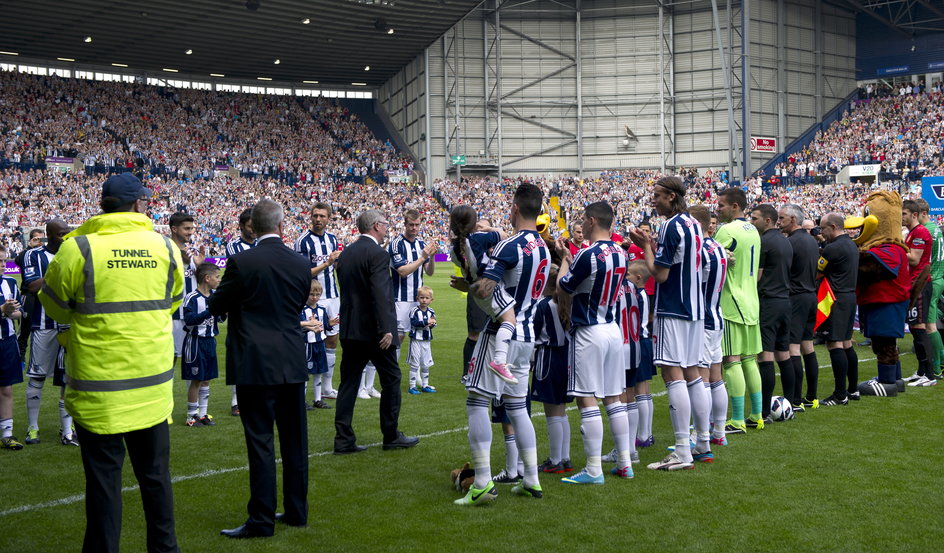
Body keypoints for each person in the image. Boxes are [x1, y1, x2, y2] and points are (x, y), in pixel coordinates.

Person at [38, 172, 183, 553]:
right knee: (156, 480)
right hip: (152, 390)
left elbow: (53, 304)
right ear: (138, 205)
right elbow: (172, 301)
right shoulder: (166, 247)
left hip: (99, 391)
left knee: (104, 487)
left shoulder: (78, 248)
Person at [209, 198, 311, 539]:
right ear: (281, 226)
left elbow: (216, 303)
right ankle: (297, 511)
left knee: (261, 442)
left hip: (255, 362)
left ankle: (261, 520)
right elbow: (296, 303)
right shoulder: (300, 262)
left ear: (253, 226)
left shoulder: (242, 260)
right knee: (295, 442)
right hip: (291, 359)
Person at [457, 183, 550, 505]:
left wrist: (470, 284)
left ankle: (481, 482)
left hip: (501, 334)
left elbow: (485, 290)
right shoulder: (543, 246)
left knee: (477, 402)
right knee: (518, 409)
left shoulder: (509, 245)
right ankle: (531, 479)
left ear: (513, 209)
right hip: (527, 337)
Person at [630, 177, 710, 471]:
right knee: (694, 375)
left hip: (673, 307)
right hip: (695, 309)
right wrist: (653, 245)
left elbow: (660, 274)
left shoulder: (671, 225)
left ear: (672, 197)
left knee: (673, 375)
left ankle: (681, 451)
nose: (654, 200)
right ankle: (702, 441)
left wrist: (644, 247)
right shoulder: (692, 223)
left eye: (659, 195)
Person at [555, 201, 633, 482]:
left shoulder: (588, 253)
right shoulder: (621, 253)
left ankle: (592, 469)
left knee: (586, 398)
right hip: (613, 328)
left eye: (583, 220)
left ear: (591, 221)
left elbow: (563, 288)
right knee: (614, 398)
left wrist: (564, 259)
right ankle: (625, 462)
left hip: (589, 330)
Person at [333, 209, 419, 455]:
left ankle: (343, 439)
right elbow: (381, 295)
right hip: (374, 333)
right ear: (376, 226)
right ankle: (391, 435)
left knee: (349, 383)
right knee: (392, 379)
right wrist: (386, 330)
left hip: (350, 329)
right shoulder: (378, 254)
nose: (387, 229)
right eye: (385, 224)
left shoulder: (347, 253)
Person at [713, 187, 762, 434]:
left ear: (734, 206)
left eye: (721, 205)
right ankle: (757, 415)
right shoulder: (753, 229)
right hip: (752, 301)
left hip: (732, 302)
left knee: (731, 360)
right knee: (750, 359)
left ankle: (737, 420)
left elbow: (709, 258)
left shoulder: (726, 230)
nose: (717, 209)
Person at [22, 218, 72, 446]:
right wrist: (58, 271)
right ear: (49, 235)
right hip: (44, 324)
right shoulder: (34, 255)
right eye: (61, 234)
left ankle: (68, 431)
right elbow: (32, 286)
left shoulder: (73, 252)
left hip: (70, 325)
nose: (65, 238)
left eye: (67, 233)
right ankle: (33, 428)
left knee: (69, 379)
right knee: (37, 376)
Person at [687, 205, 729, 446]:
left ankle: (698, 435)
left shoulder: (699, 249)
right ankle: (719, 432)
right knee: (716, 377)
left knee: (701, 380)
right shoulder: (718, 247)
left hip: (702, 319)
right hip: (716, 315)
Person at [448, 208, 506, 378]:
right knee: (508, 323)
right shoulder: (479, 239)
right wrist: (488, 229)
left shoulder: (455, 250)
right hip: (491, 289)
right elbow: (503, 235)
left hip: (477, 291)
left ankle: (477, 370)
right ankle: (498, 363)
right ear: (474, 224)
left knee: (487, 332)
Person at [529, 263, 574, 475]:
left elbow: (533, 334)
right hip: (567, 358)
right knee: (562, 411)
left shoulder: (543, 304)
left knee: (552, 412)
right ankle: (564, 457)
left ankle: (556, 459)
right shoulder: (568, 301)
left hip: (548, 357)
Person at [750, 203, 793, 424]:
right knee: (783, 353)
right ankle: (792, 401)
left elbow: (757, 275)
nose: (751, 222)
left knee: (765, 355)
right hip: (785, 301)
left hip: (769, 302)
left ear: (768, 220)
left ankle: (764, 411)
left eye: (755, 219)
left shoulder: (764, 242)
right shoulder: (786, 241)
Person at [294, 202, 341, 400]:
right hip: (311, 300)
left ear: (329, 218)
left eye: (322, 216)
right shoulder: (303, 241)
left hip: (332, 296)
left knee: (332, 339)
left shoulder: (333, 239)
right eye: (315, 216)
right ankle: (303, 389)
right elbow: (302, 272)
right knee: (309, 340)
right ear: (310, 217)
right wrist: (327, 263)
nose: (318, 219)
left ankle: (327, 388)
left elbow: (337, 267)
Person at [778, 203, 820, 409]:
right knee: (807, 345)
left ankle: (794, 399)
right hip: (810, 295)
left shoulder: (792, 242)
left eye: (782, 219)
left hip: (796, 297)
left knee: (792, 347)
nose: (779, 223)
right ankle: (811, 396)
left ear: (793, 219)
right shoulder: (810, 240)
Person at [817, 212, 860, 405]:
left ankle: (840, 394)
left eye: (823, 228)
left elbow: (817, 272)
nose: (821, 232)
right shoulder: (852, 244)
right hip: (850, 296)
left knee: (834, 343)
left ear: (833, 227)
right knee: (846, 343)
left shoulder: (831, 249)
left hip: (835, 298)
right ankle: (853, 389)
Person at [389, 209, 437, 367]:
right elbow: (402, 271)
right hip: (401, 299)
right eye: (411, 225)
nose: (414, 228)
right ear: (405, 224)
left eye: (417, 225)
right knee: (399, 337)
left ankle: (417, 375)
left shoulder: (421, 244)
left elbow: (429, 272)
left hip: (418, 300)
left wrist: (432, 256)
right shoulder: (396, 244)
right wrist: (422, 257)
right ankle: (392, 373)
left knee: (418, 336)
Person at [181, 262, 224, 428]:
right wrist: (210, 311)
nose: (218, 280)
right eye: (217, 277)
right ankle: (191, 417)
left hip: (210, 341)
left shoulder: (215, 296)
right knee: (196, 380)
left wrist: (223, 312)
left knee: (206, 379)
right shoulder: (192, 297)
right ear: (207, 278)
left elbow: (218, 319)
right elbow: (190, 321)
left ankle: (203, 414)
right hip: (195, 342)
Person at [225, 207, 255, 416]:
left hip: (259, 304)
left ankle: (255, 395)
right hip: (240, 305)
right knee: (239, 352)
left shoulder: (261, 243)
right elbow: (242, 273)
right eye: (250, 226)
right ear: (242, 226)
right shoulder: (234, 246)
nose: (253, 230)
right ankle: (236, 401)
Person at [915, 199, 944, 380]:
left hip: (932, 279)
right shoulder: (936, 229)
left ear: (922, 213)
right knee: (929, 325)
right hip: (939, 277)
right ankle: (939, 363)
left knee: (929, 326)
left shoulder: (927, 231)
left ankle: (937, 365)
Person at [169, 212, 203, 367]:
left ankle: (198, 392)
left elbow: (205, 281)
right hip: (173, 314)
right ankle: (165, 391)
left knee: (195, 361)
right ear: (174, 229)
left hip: (193, 314)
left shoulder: (195, 252)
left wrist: (201, 267)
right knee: (170, 360)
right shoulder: (164, 250)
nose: (190, 232)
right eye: (186, 228)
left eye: (192, 228)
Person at [0, 245, 23, 450]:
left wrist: (11, 312)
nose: (1, 265)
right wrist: (2, 309)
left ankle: (7, 434)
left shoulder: (9, 283)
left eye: (3, 261)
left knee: (6, 388)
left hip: (6, 341)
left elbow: (18, 313)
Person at [300, 280, 333, 410]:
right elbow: (299, 327)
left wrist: (330, 324)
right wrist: (309, 326)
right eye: (311, 294)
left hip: (320, 344)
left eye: (317, 294)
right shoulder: (302, 310)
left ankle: (318, 399)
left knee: (319, 372)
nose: (314, 297)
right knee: (306, 373)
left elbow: (325, 326)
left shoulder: (322, 309)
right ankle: (302, 401)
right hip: (308, 345)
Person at [14, 228, 43, 362]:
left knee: (42, 329)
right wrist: (30, 246)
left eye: (41, 239)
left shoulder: (45, 254)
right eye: (36, 239)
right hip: (28, 295)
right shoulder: (27, 254)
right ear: (31, 239)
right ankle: (20, 359)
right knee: (25, 329)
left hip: (44, 295)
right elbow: (17, 261)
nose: (39, 242)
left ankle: (39, 360)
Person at [407, 286, 437, 394]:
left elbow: (434, 322)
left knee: (426, 363)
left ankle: (425, 385)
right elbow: (414, 323)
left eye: (427, 298)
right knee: (415, 363)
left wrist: (432, 323)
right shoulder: (414, 311)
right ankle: (412, 387)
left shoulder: (431, 311)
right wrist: (426, 322)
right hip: (416, 340)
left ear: (431, 300)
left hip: (426, 341)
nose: (424, 300)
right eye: (422, 297)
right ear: (417, 299)